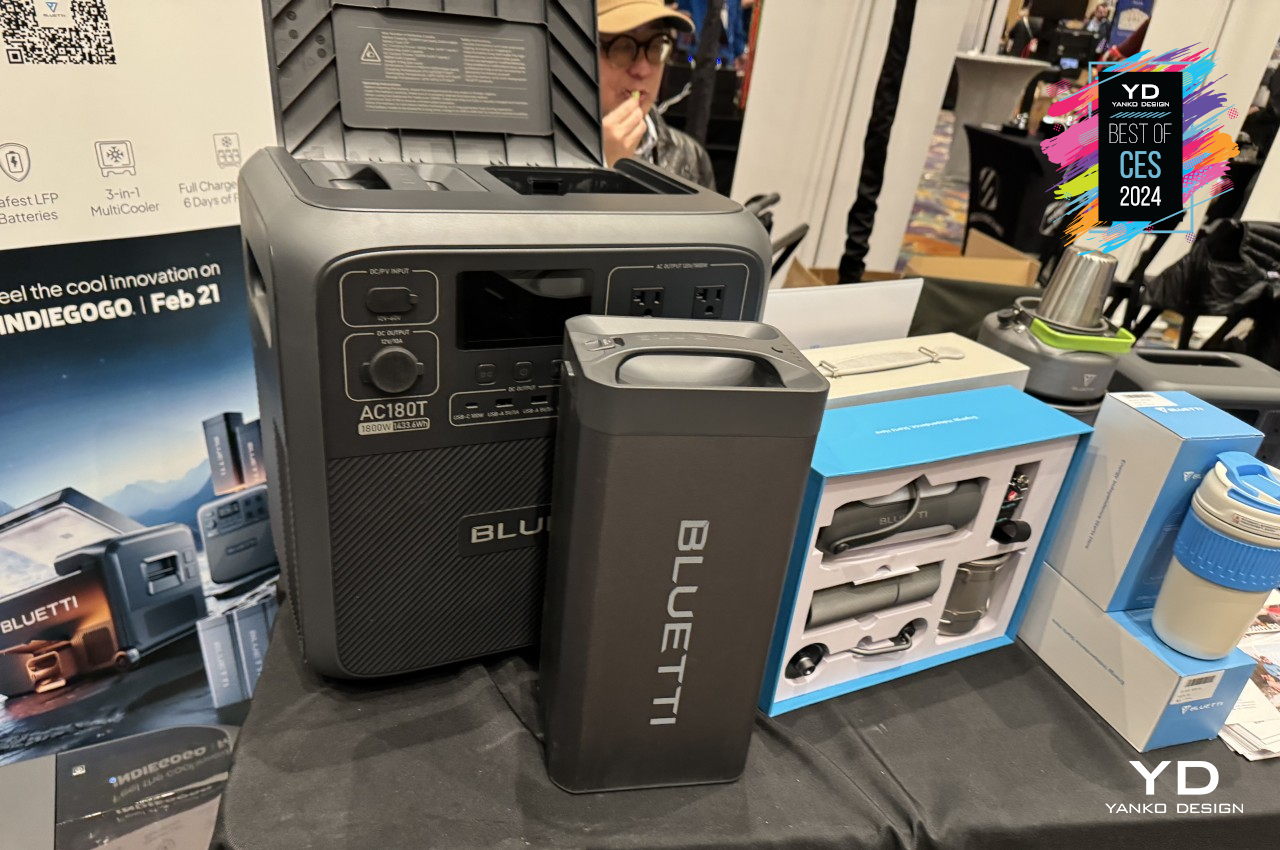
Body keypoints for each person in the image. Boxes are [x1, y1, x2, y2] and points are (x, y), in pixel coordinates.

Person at [597, 0, 717, 190]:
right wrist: (599, 171)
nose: (643, 70)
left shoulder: (689, 157)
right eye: (622, 47)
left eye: (656, 46)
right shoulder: (550, 155)